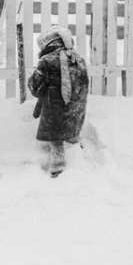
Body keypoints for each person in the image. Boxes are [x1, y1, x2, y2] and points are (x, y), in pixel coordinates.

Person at [28, 26, 89, 177]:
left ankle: (58, 168)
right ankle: (82, 160)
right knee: (71, 134)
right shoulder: (78, 58)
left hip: (55, 114)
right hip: (76, 110)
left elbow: (36, 87)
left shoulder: (47, 61)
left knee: (56, 143)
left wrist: (32, 80)